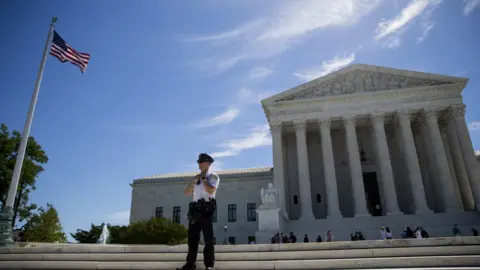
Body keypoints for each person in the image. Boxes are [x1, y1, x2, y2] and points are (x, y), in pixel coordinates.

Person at [177, 153, 219, 270]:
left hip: (206, 209)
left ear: (208, 163)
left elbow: (210, 191)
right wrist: (193, 181)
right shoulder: (196, 178)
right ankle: (190, 264)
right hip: (195, 210)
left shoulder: (213, 177)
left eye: (201, 162)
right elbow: (187, 192)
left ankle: (209, 265)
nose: (199, 164)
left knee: (208, 239)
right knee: (192, 239)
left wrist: (204, 179)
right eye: (198, 162)